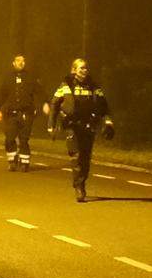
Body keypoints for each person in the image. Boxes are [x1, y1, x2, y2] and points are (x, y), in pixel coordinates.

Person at [48, 58, 113, 202]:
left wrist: (108, 122)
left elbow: (104, 106)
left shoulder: (94, 87)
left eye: (86, 68)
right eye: (81, 68)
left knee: (85, 157)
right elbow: (54, 105)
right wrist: (51, 125)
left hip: (88, 126)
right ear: (74, 70)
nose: (84, 70)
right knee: (76, 156)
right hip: (72, 126)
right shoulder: (65, 86)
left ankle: (82, 181)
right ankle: (78, 187)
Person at [0, 54, 43, 171]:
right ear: (13, 63)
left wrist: (45, 102)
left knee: (24, 139)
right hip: (11, 114)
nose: (21, 63)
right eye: (18, 60)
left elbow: (40, 91)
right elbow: (1, 94)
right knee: (10, 138)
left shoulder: (30, 77)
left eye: (23, 61)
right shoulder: (8, 78)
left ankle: (24, 162)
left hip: (26, 114)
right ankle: (12, 160)